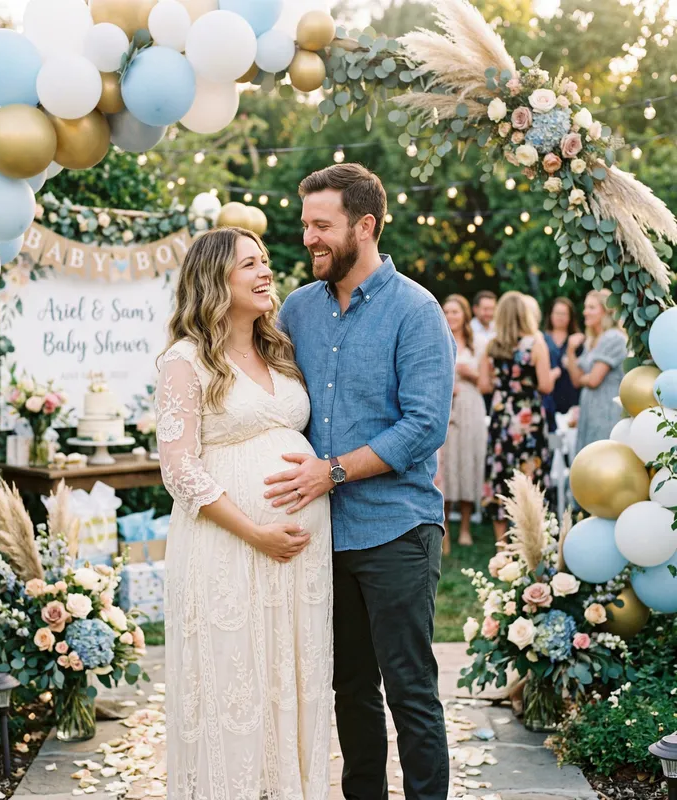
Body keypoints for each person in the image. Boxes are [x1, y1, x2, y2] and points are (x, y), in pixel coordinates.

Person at [268, 163, 455, 800]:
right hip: (322, 537)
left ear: (365, 226)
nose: (309, 239)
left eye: (322, 226)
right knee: (350, 689)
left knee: (410, 689)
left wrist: (335, 470)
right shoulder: (296, 309)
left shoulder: (416, 310)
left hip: (397, 529)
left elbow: (425, 425)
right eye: (305, 226)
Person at [155, 227, 333, 799]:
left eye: (264, 262)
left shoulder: (279, 350)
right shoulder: (184, 361)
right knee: (236, 672)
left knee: (292, 673)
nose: (265, 273)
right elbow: (179, 469)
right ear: (214, 281)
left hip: (301, 556)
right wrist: (256, 531)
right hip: (228, 545)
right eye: (248, 265)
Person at [479, 291, 554, 542]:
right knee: (530, 473)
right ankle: (529, 541)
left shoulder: (492, 345)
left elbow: (485, 387)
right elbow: (545, 386)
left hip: (502, 416)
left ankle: (501, 546)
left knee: (501, 473)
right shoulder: (535, 343)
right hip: (528, 418)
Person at [441, 294, 488, 553]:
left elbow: (486, 383)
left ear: (465, 315)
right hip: (446, 407)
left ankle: (467, 528)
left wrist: (470, 373)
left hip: (471, 405)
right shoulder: (437, 337)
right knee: (446, 466)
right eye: (447, 312)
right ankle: (445, 527)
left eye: (455, 312)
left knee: (468, 463)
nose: (451, 317)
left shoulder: (478, 343)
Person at [566, 289, 628, 454]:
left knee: (600, 457)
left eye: (591, 307)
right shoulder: (592, 340)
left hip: (605, 410)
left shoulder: (613, 338)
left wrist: (585, 378)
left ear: (606, 311)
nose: (585, 312)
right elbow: (576, 380)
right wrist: (570, 351)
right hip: (590, 411)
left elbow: (593, 380)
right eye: (585, 307)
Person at [543, 297, 581, 430]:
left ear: (570, 317)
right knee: (553, 441)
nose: (560, 317)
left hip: (570, 397)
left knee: (569, 443)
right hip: (548, 399)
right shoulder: (542, 339)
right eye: (557, 313)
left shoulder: (577, 340)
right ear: (551, 315)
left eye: (564, 314)